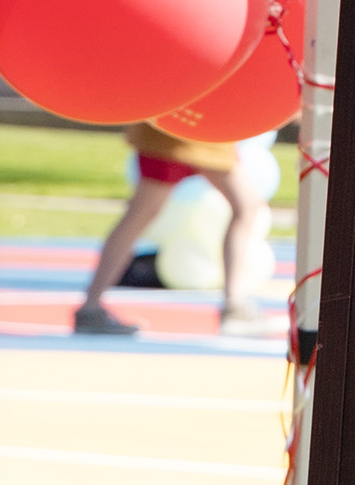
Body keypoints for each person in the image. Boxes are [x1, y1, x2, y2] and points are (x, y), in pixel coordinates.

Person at [75, 123, 282, 339]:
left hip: (184, 129)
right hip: (190, 129)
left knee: (140, 216)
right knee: (141, 215)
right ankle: (234, 306)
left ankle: (91, 307)